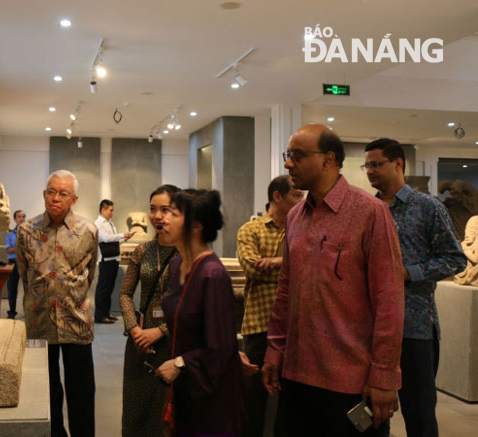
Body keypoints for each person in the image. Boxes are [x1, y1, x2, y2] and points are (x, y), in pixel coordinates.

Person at [262, 124, 405, 436]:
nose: (288, 164)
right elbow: (285, 292)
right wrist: (275, 350)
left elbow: (389, 301)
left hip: (349, 382)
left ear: (328, 159)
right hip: (296, 377)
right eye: (288, 155)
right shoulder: (295, 217)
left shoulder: (371, 213)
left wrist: (384, 376)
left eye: (296, 155)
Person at [364, 138, 466, 437]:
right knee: (371, 416)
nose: (370, 171)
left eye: (376, 164)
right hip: (371, 327)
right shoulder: (368, 210)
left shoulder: (427, 207)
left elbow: (455, 259)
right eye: (367, 165)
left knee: (419, 414)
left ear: (399, 164)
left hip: (415, 327)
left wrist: (409, 273)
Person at [15, 170, 97, 437]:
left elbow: (90, 274)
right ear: (44, 194)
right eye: (51, 191)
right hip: (39, 322)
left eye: (63, 193)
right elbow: (25, 274)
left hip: (76, 322)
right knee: (44, 390)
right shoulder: (27, 231)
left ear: (74, 199)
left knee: (81, 390)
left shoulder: (88, 231)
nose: (55, 198)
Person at [156, 189, 243, 436]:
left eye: (172, 213)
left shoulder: (212, 275)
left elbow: (221, 347)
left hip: (210, 396)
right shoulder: (176, 265)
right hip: (184, 388)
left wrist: (181, 363)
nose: (163, 219)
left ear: (195, 226)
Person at [236, 175, 303, 437]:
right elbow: (253, 267)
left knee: (291, 402)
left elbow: (310, 267)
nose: (301, 200)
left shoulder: (302, 228)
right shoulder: (250, 230)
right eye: (296, 195)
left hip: (295, 326)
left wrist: (275, 262)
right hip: (259, 324)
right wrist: (290, 263)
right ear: (277, 196)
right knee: (254, 399)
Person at [119, 184, 179, 437]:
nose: (157, 216)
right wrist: (134, 329)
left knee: (164, 414)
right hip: (139, 344)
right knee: (135, 412)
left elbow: (190, 305)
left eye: (165, 209)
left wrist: (160, 331)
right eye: (153, 209)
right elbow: (124, 293)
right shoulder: (142, 251)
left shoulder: (187, 253)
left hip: (172, 344)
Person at [94, 199, 133, 323]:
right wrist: (123, 234)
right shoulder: (98, 224)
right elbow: (105, 239)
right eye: (111, 210)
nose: (112, 213)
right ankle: (99, 315)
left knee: (109, 289)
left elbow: (113, 242)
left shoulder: (110, 223)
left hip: (114, 259)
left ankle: (106, 313)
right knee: (103, 289)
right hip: (106, 260)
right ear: (103, 210)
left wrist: (125, 239)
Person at [4, 209, 26, 319]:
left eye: (23, 216)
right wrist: (20, 247)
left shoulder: (29, 234)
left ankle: (28, 312)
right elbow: (8, 250)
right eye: (19, 216)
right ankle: (12, 312)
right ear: (15, 219)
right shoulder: (10, 235)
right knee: (12, 288)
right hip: (13, 263)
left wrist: (17, 248)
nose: (21, 219)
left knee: (28, 288)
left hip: (26, 263)